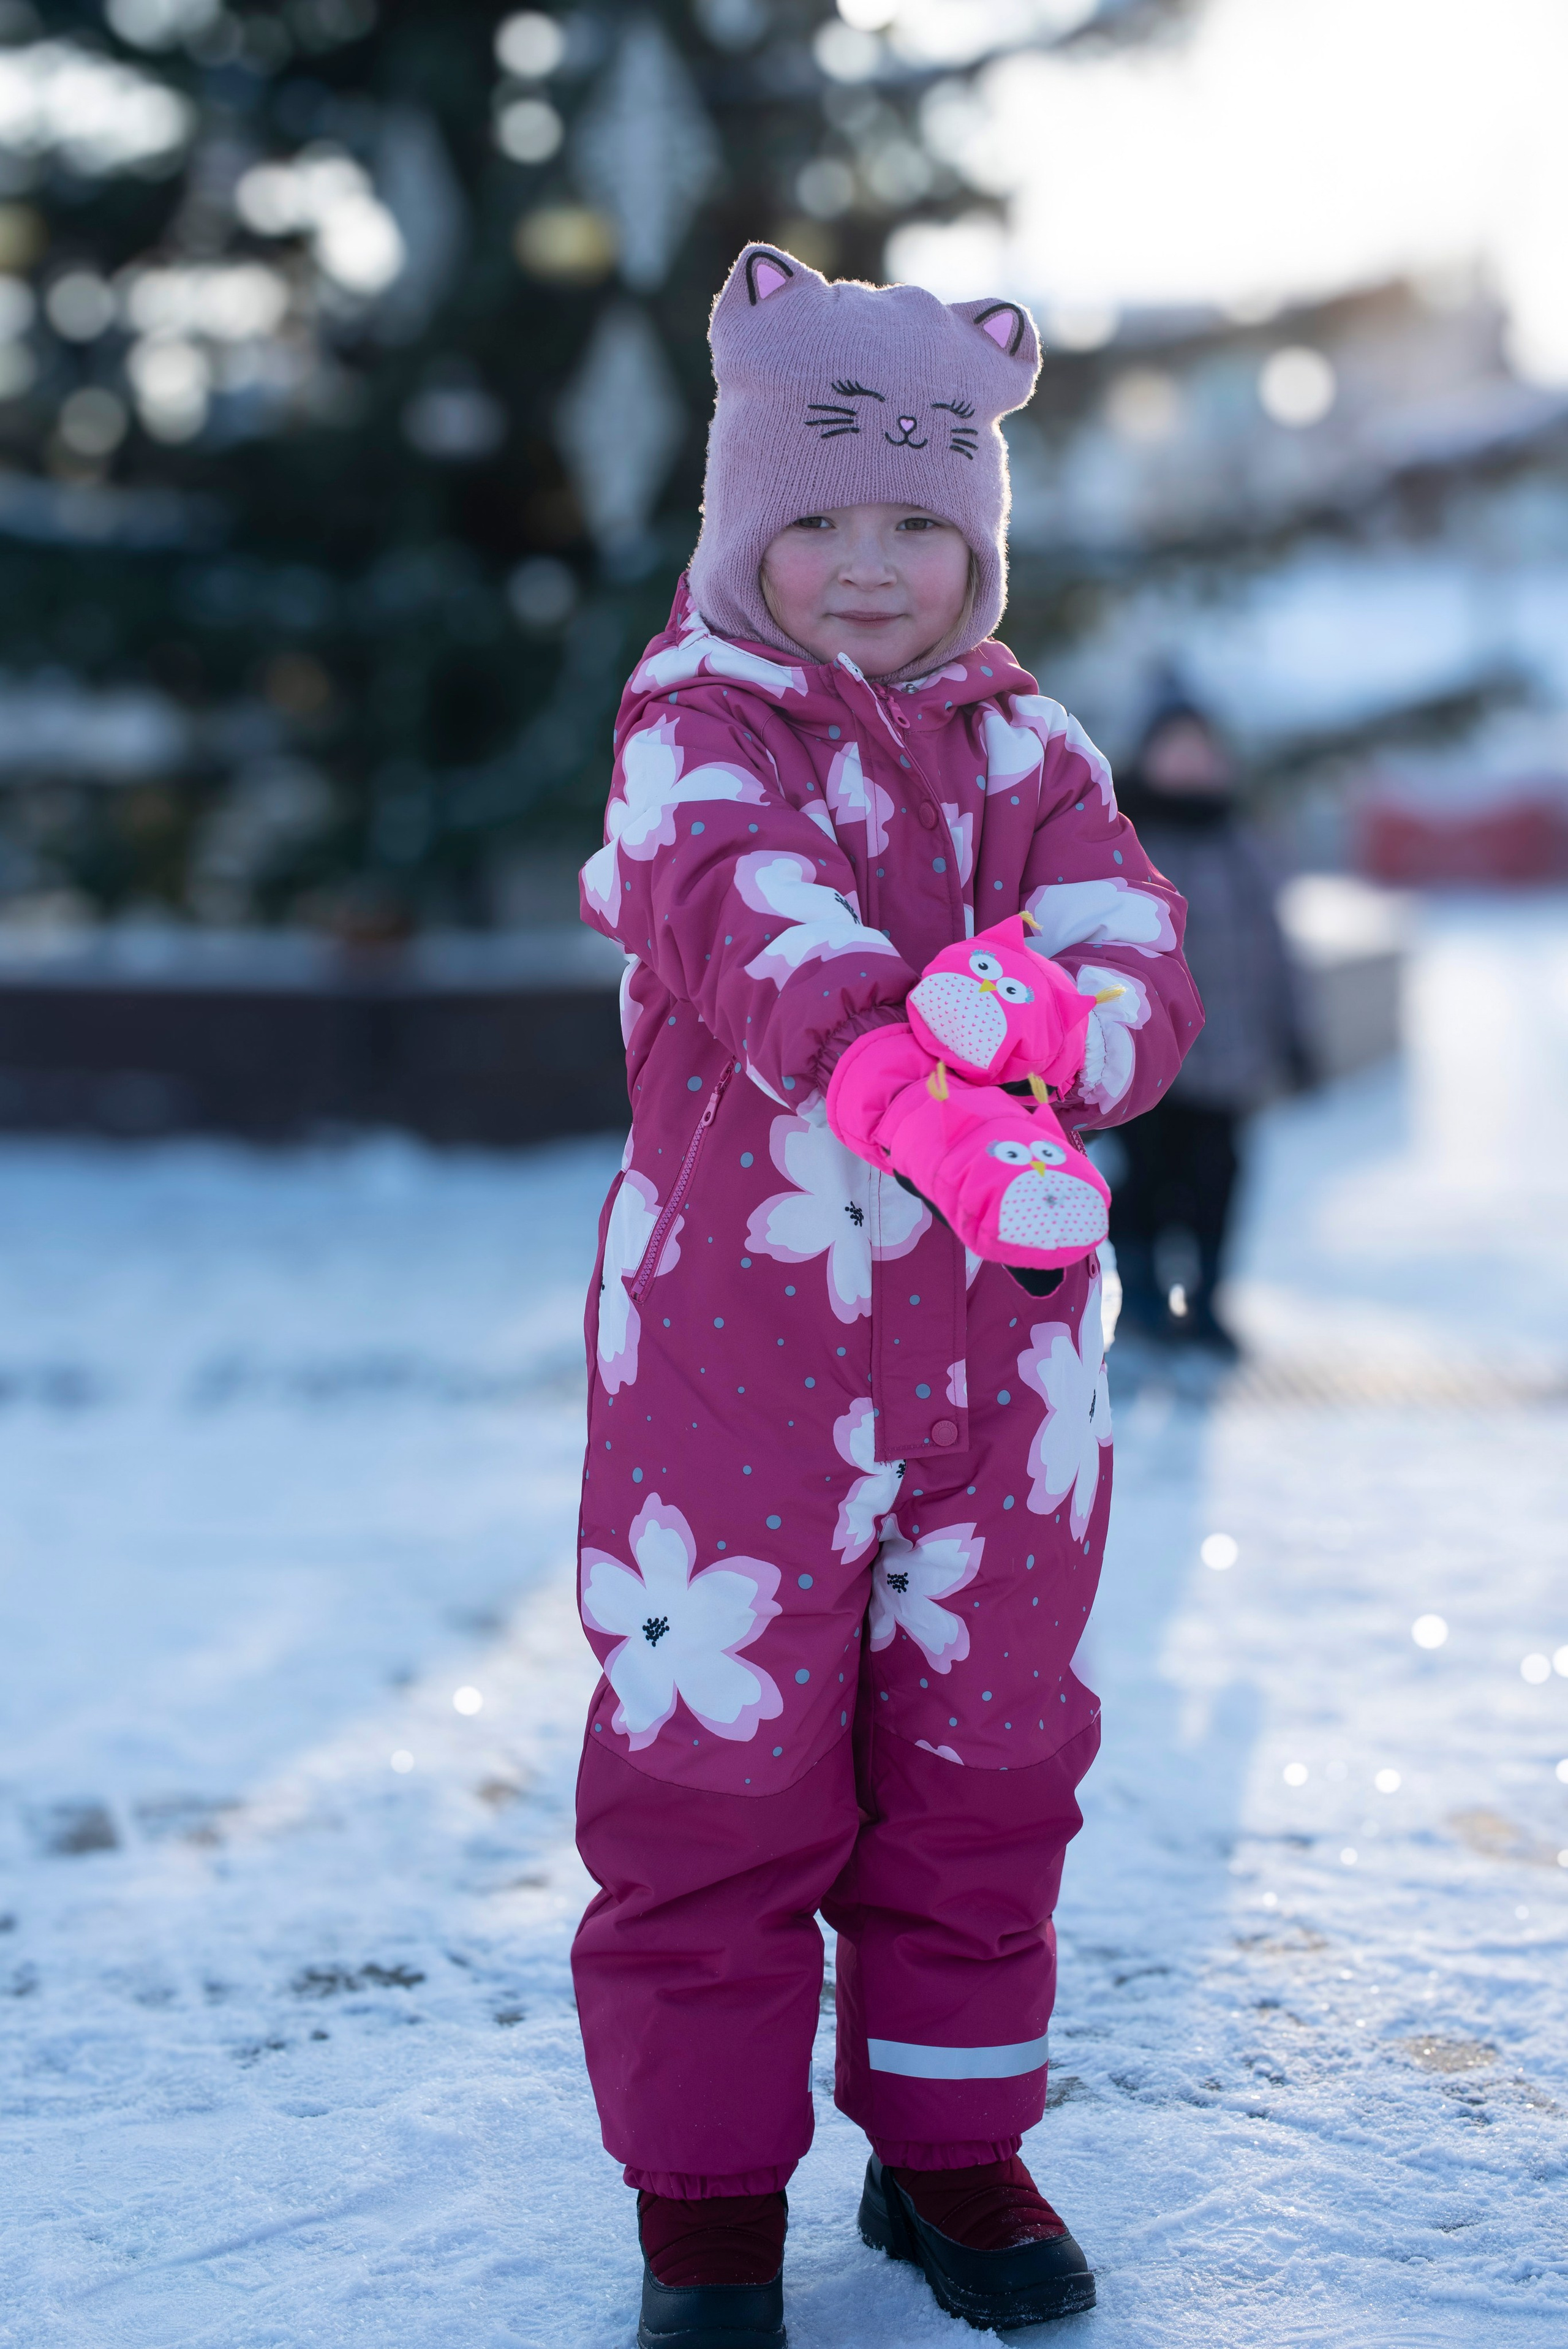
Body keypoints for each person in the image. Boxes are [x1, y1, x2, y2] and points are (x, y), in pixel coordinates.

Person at [572, 243, 1202, 2348]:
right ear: (747, 516)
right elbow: (751, 930)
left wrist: (1046, 1007)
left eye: (920, 524)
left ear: (978, 537)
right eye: (821, 517)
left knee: (989, 1760)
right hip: (734, 1371)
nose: (868, 568)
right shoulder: (690, 726)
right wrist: (903, 1081)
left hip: (1009, 1376)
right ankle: (707, 2199)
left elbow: (1139, 956)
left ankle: (948, 2142)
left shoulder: (1027, 738)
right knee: (718, 1768)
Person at [1109, 694, 1308, 1358]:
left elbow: (1279, 947)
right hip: (1146, 1052)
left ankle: (1208, 1299)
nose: (1191, 763)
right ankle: (1140, 1296)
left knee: (1218, 1182)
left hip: (1233, 1054)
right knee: (1147, 1181)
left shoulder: (1245, 842)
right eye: (1177, 749)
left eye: (1202, 750)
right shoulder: (1122, 837)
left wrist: (1298, 1034)